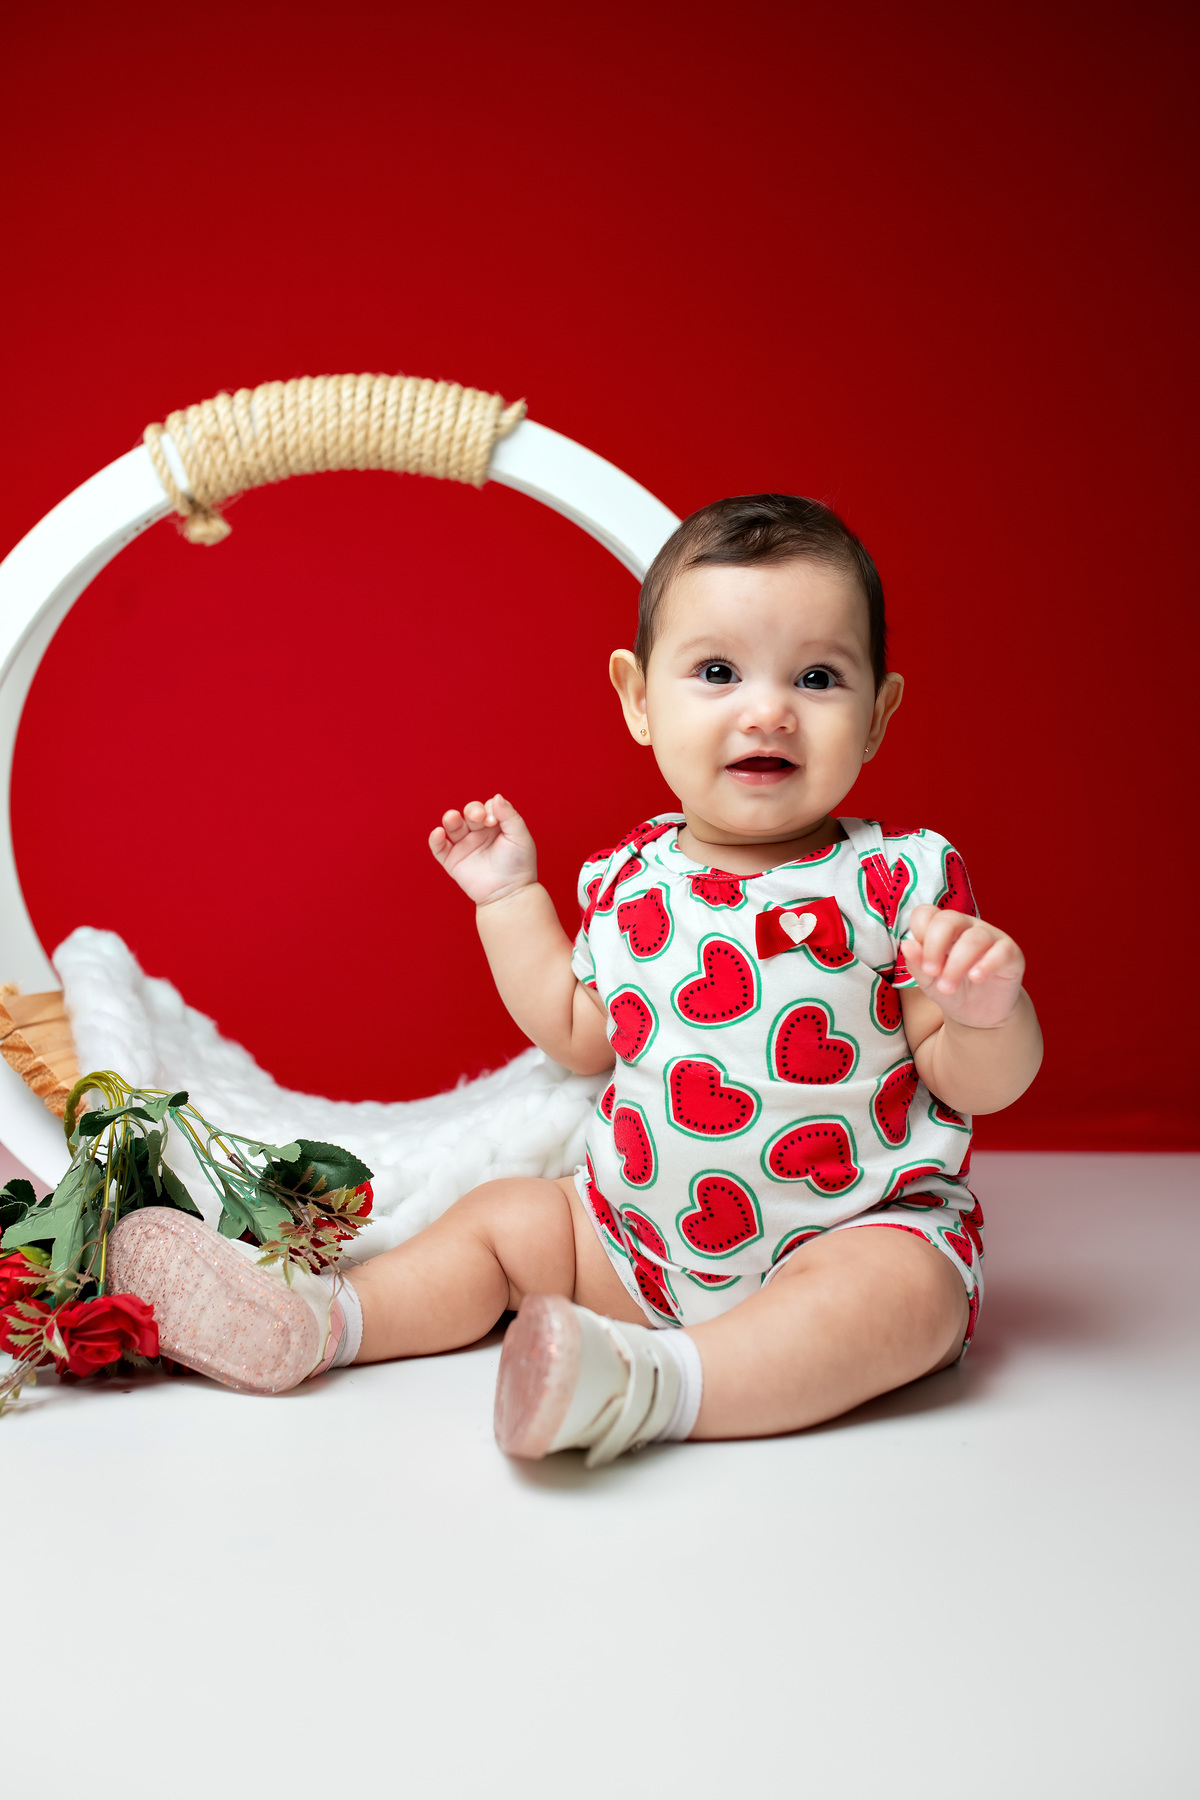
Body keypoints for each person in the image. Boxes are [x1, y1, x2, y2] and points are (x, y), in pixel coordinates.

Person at [109, 494, 1041, 1465]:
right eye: (717, 672)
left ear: (878, 713)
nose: (767, 711)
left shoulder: (897, 880)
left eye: (817, 678)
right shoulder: (630, 881)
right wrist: (510, 901)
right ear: (639, 699)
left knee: (904, 1298)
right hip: (630, 1242)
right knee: (508, 1219)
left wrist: (986, 1015)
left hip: (848, 1231)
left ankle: (646, 1386)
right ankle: (321, 1321)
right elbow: (576, 1031)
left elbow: (973, 1080)